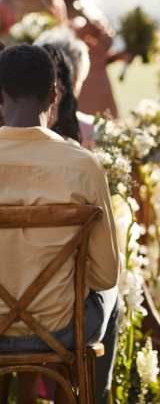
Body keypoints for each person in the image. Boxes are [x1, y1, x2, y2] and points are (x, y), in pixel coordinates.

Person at [0, 44, 120, 401]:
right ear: (55, 95)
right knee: (113, 296)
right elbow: (105, 275)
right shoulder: (82, 166)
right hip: (62, 329)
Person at [50, 0, 125, 117]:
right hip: (74, 88)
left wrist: (120, 55)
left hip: (101, 86)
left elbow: (100, 55)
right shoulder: (54, 8)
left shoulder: (91, 3)